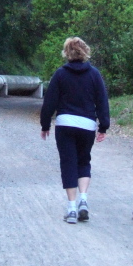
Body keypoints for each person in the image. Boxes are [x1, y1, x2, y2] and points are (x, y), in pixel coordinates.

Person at [40, 37, 110, 224]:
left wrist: (45, 124)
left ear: (67, 52)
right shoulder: (94, 74)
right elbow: (102, 101)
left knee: (68, 163)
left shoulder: (60, 74)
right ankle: (84, 201)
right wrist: (103, 126)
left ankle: (71, 208)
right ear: (85, 51)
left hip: (65, 124)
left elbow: (50, 102)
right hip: (87, 125)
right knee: (83, 160)